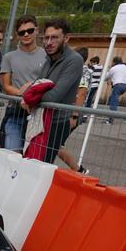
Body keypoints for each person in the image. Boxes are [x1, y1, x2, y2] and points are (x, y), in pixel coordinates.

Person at [21, 18, 83, 164]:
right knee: (28, 160)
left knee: (41, 165)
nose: (49, 42)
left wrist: (30, 99)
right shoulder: (49, 58)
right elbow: (36, 86)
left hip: (56, 122)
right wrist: (31, 94)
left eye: (54, 37)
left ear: (66, 38)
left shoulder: (74, 60)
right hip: (39, 119)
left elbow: (53, 96)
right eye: (46, 37)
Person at [0, 15, 48, 152]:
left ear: (37, 30)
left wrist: (32, 96)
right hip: (15, 111)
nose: (26, 34)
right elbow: (6, 85)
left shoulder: (47, 55)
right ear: (17, 35)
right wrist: (24, 95)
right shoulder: (9, 57)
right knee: (12, 152)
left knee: (33, 156)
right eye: (22, 32)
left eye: (30, 30)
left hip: (39, 112)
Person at [57, 47, 90, 174]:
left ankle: (79, 170)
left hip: (71, 112)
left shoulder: (83, 71)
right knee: (55, 144)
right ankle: (78, 169)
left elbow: (81, 94)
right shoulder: (76, 69)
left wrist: (74, 116)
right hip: (67, 110)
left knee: (56, 145)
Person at [103, 56, 126, 122]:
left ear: (114, 62)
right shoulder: (125, 66)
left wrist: (108, 69)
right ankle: (111, 115)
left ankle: (110, 120)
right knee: (112, 98)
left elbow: (105, 77)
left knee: (113, 102)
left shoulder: (114, 68)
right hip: (125, 85)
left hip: (118, 85)